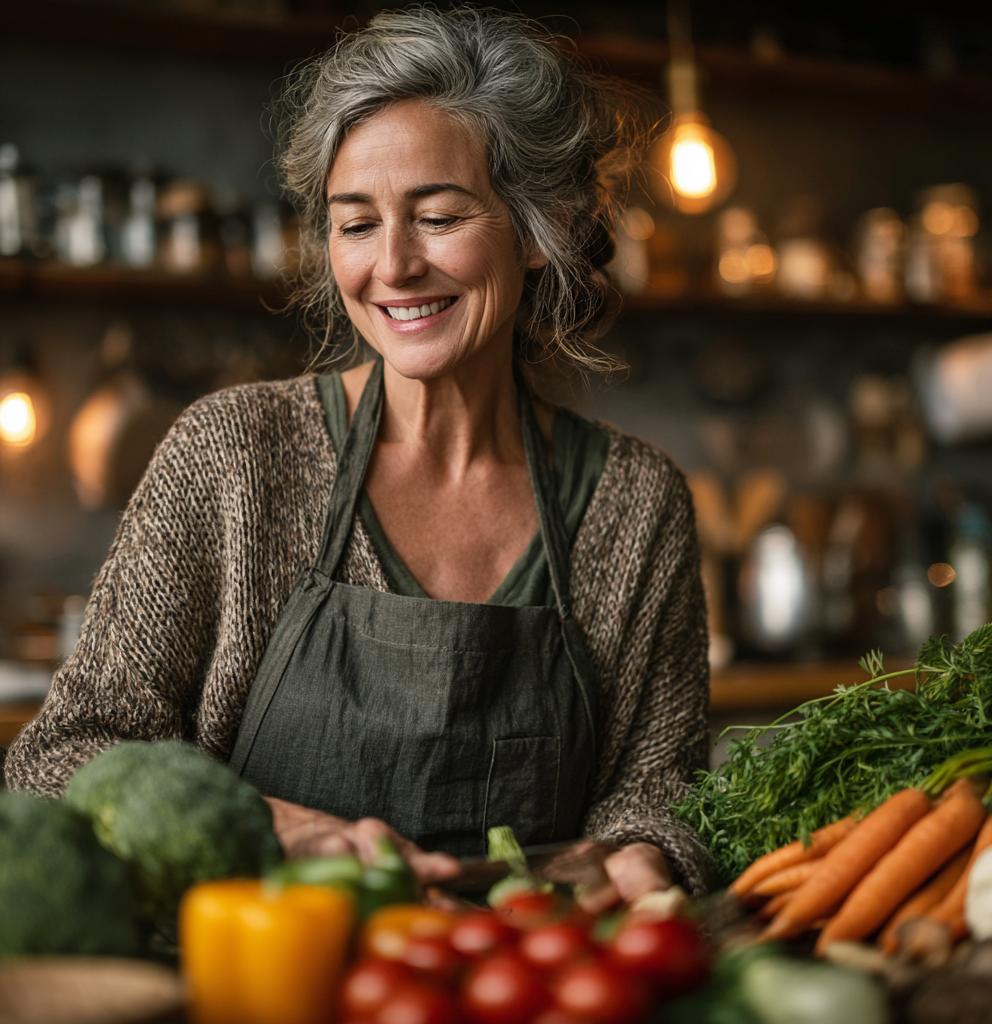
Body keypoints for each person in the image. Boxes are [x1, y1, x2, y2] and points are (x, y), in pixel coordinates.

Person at [5, 7, 714, 903]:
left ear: (541, 231)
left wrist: (646, 854)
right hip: (259, 975)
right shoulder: (234, 455)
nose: (395, 266)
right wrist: (274, 828)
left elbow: (659, 792)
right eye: (356, 225)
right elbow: (58, 754)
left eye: (439, 216)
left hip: (515, 980)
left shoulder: (635, 501)